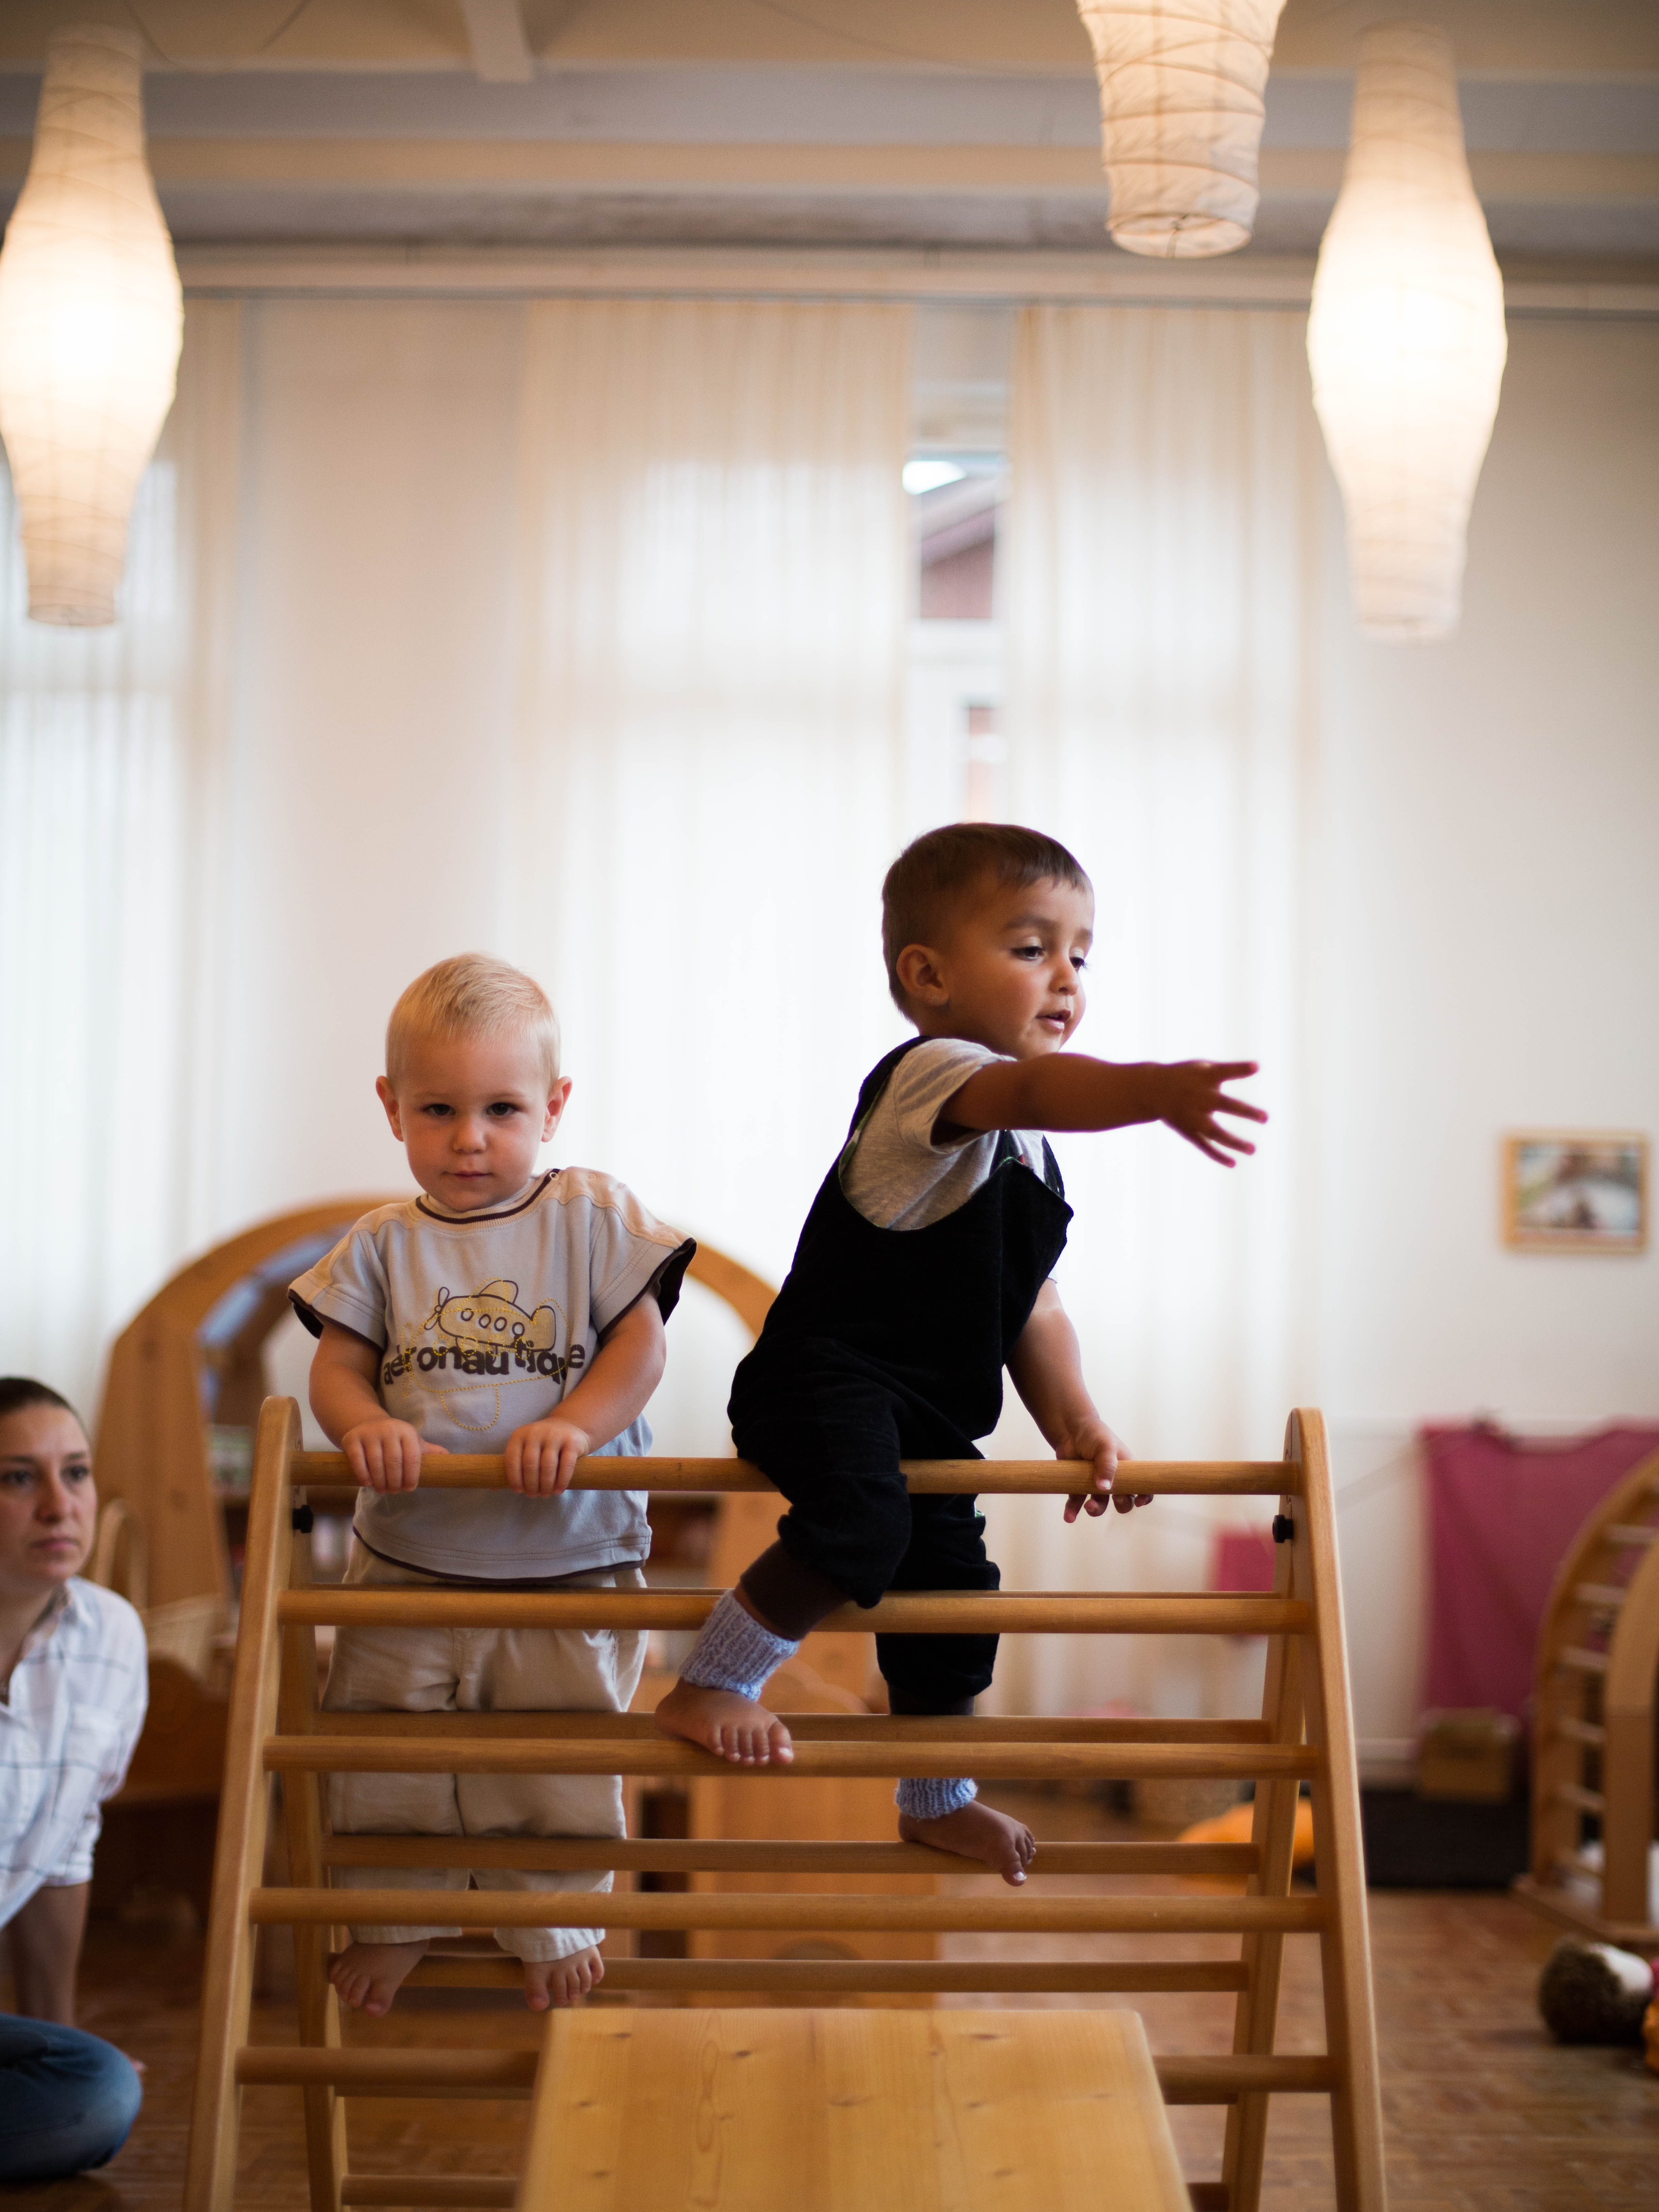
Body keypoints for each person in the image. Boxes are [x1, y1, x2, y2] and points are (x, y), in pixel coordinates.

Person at [657, 823, 1265, 1883]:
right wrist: (1152, 1091)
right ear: (929, 975)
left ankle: (935, 1798)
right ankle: (714, 1681)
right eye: (1032, 948)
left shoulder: (1033, 1160)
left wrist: (1077, 1421)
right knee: (862, 1525)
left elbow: (1034, 1311)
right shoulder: (935, 1076)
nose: (1066, 977)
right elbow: (1033, 1090)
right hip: (824, 1380)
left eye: (1082, 955)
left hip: (925, 1416)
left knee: (954, 1591)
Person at [290, 954, 692, 2018]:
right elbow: (336, 1367)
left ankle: (551, 1918)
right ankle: (393, 1918)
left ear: (553, 1107)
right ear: (393, 1108)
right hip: (409, 1562)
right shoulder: (381, 1245)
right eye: (439, 1109)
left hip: (567, 1563)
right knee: (382, 1754)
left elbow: (640, 1349)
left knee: (555, 1759)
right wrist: (364, 1422)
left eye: (502, 1110)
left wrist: (573, 1424)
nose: (470, 1138)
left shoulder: (593, 1216)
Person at [0, 1378, 146, 2184]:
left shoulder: (112, 1635)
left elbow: (63, 1846)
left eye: (77, 1472)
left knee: (97, 2085)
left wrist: (53, 2042)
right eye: (19, 1477)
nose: (60, 1506)